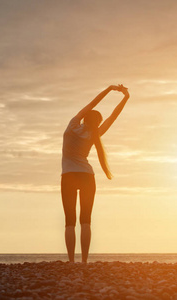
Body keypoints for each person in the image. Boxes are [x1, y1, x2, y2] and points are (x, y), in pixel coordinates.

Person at [61, 84, 130, 263]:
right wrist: (125, 97)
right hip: (86, 176)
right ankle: (84, 262)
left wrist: (109, 89)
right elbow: (113, 116)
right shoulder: (95, 134)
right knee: (86, 220)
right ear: (97, 123)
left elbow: (92, 104)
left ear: (85, 118)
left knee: (70, 220)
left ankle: (71, 262)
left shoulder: (73, 125)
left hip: (68, 176)